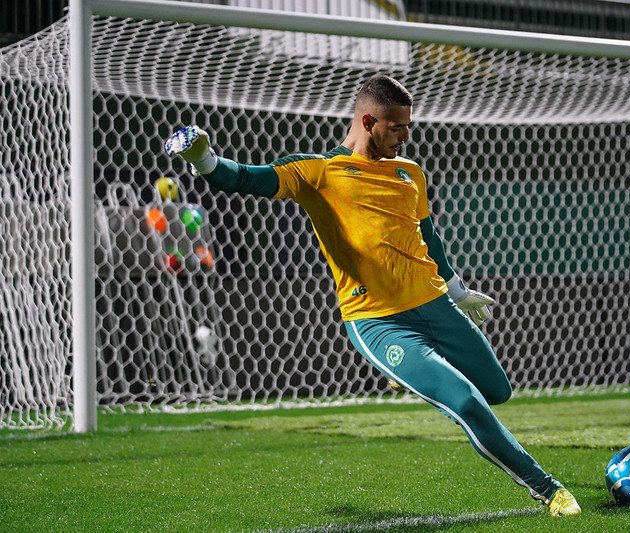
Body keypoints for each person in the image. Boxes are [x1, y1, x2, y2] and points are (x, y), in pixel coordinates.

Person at [164, 74, 581, 517]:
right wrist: (204, 159)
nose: (406, 136)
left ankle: (429, 378)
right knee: (466, 402)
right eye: (397, 127)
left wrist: (457, 291)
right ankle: (548, 490)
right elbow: (248, 178)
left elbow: (429, 238)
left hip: (436, 306)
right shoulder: (318, 172)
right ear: (368, 120)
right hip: (380, 322)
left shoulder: (411, 173)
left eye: (408, 127)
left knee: (497, 390)